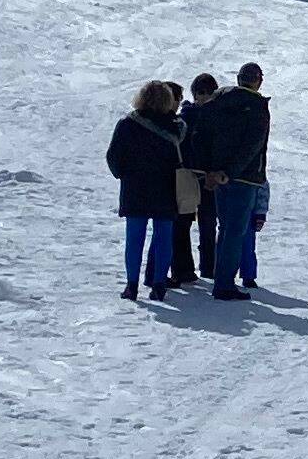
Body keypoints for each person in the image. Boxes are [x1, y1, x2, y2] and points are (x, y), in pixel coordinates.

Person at [195, 60, 273, 298]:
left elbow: (202, 135)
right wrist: (231, 171)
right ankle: (225, 284)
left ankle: (221, 278)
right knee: (235, 231)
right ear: (258, 81)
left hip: (218, 176)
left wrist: (210, 170)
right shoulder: (257, 106)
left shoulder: (218, 101)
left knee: (225, 227)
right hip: (244, 178)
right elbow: (252, 145)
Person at [108, 79, 184, 299]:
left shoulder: (127, 124)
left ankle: (131, 285)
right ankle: (159, 284)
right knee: (163, 238)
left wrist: (123, 174)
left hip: (135, 188)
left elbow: (113, 157)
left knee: (134, 238)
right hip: (166, 188)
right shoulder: (175, 126)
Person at [169, 70, 223, 289]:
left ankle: (208, 265)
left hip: (206, 175)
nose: (202, 97)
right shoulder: (188, 117)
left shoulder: (210, 115)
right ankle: (185, 268)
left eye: (206, 93)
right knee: (184, 222)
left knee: (207, 222)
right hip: (190, 175)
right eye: (199, 93)